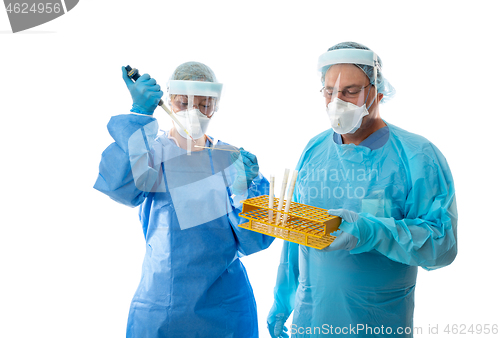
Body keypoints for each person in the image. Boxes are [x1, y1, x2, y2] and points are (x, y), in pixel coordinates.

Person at [267, 42, 458, 338]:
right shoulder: (314, 149)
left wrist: (372, 231)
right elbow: (296, 233)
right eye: (330, 91)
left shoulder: (417, 157)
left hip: (376, 324)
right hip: (311, 321)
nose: (337, 102)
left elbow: (441, 245)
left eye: (350, 91)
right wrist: (282, 302)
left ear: (377, 91)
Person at [94, 61, 274, 337]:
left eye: (204, 104)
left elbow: (255, 241)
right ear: (169, 102)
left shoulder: (232, 161)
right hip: (159, 309)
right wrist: (139, 114)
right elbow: (119, 188)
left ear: (215, 106)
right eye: (183, 103)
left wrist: (243, 189)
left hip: (226, 311)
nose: (195, 112)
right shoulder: (151, 155)